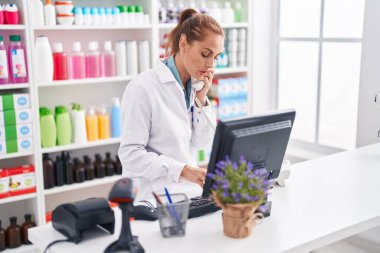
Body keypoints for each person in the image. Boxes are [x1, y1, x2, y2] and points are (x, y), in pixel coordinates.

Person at [118, 9, 225, 199]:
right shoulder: (142, 87)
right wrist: (182, 170)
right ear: (183, 44)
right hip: (154, 196)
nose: (211, 65)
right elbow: (130, 155)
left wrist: (201, 99)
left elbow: (201, 143)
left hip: (188, 192)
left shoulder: (193, 87)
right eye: (205, 54)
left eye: (215, 57)